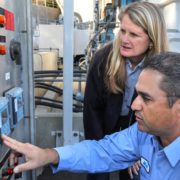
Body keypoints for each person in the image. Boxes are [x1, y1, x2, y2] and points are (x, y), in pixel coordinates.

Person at [2, 52, 180, 180]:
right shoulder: (144, 134)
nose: (134, 105)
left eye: (146, 98)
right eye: (137, 94)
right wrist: (49, 155)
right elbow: (102, 152)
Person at [83, 1, 169, 180]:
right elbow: (92, 112)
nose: (124, 39)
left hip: (139, 126)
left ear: (151, 39)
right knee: (98, 172)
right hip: (105, 121)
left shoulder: (162, 69)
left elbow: (161, 116)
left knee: (135, 173)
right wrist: (99, 153)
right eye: (122, 31)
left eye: (134, 34)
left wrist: (140, 151)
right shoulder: (102, 60)